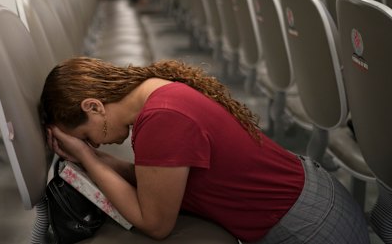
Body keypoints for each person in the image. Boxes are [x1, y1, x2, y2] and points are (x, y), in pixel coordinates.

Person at [40, 57, 370, 243]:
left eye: (87, 136)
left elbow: (155, 223)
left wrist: (86, 158)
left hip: (311, 230)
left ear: (94, 106)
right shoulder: (157, 93)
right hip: (312, 205)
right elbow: (156, 179)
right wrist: (99, 160)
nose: (95, 143)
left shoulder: (161, 119)